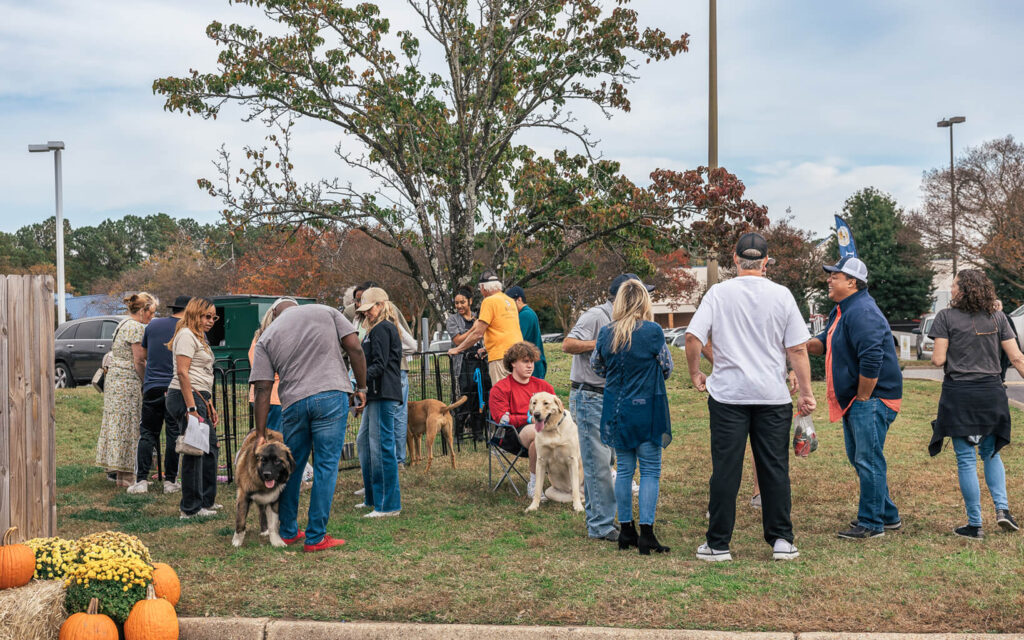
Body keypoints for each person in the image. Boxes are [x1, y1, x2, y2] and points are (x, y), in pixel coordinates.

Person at [685, 232, 815, 562]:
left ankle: (717, 544)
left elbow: (692, 337)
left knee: (725, 469)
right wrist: (807, 393)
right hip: (772, 397)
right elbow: (798, 349)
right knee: (774, 468)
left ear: (735, 259)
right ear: (766, 262)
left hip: (728, 396)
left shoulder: (718, 293)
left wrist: (695, 373)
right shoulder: (782, 295)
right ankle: (782, 540)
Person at [252, 299, 368, 551]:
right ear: (297, 306)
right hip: (331, 394)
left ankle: (289, 530)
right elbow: (355, 348)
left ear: (274, 314)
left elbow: (261, 387)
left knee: (292, 465)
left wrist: (260, 433)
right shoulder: (325, 311)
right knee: (326, 465)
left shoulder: (266, 336)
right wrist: (361, 387)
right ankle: (316, 536)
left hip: (293, 402)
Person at [807, 255, 902, 540]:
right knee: (861, 457)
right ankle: (888, 515)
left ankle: (872, 523)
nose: (829, 279)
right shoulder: (843, 309)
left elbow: (872, 357)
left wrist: (863, 398)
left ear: (852, 282)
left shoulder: (862, 311)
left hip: (872, 399)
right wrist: (796, 344)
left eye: (834, 276)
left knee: (867, 459)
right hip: (859, 400)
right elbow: (822, 343)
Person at [927, 269, 1024, 538]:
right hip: (992, 393)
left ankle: (975, 524)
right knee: (992, 453)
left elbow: (937, 360)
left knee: (967, 459)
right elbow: (1016, 358)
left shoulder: (945, 317)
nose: (952, 288)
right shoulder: (997, 317)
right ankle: (1003, 510)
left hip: (960, 394)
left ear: (964, 289)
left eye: (955, 285)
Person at [562, 274, 648, 543]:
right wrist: (603, 344)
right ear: (623, 296)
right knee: (597, 463)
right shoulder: (596, 316)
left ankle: (600, 518)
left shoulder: (632, 323)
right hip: (589, 396)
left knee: (607, 461)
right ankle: (600, 526)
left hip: (611, 397)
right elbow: (568, 344)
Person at [591, 280, 674, 555]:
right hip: (647, 408)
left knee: (625, 469)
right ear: (643, 302)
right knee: (650, 469)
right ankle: (647, 534)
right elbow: (667, 366)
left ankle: (626, 530)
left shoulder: (606, 333)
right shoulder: (653, 332)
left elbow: (596, 365)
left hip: (617, 408)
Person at [165, 298, 220, 519]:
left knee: (210, 449)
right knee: (194, 452)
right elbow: (183, 372)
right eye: (206, 316)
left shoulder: (199, 337)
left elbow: (202, 375)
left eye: (213, 317)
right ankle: (189, 508)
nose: (211, 321)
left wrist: (209, 404)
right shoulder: (186, 335)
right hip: (186, 397)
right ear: (194, 314)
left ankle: (205, 502)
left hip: (199, 398)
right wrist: (190, 408)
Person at [96, 292, 158, 488]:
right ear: (142, 310)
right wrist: (146, 380)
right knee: (131, 425)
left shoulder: (123, 323)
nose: (152, 317)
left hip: (116, 380)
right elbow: (139, 360)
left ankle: (122, 475)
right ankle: (129, 475)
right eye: (151, 312)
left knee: (119, 424)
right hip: (127, 382)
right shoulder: (135, 327)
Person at [127, 295, 187, 495]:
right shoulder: (187, 329)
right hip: (174, 387)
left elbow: (142, 355)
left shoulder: (152, 326)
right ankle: (170, 481)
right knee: (173, 433)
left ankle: (142, 480)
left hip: (152, 385)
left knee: (148, 433)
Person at [353, 288, 404, 517]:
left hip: (384, 392)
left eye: (370, 309)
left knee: (382, 446)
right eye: (363, 311)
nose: (367, 314)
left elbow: (380, 365)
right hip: (376, 393)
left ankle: (389, 505)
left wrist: (358, 381)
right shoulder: (376, 329)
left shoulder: (383, 328)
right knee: (367, 443)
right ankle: (373, 498)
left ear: (381, 305)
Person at [488, 341, 554, 498]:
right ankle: (536, 484)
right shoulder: (500, 388)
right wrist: (529, 418)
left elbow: (557, 410)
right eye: (525, 361)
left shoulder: (544, 386)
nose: (530, 365)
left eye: (531, 362)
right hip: (511, 433)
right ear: (512, 363)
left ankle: (568, 482)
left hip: (545, 429)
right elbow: (502, 418)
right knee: (538, 433)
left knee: (545, 438)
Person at [449, 270, 522, 384]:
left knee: (501, 394)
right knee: (517, 391)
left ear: (483, 287)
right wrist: (486, 349)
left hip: (500, 356)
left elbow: (478, 333)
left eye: (480, 289)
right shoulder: (510, 301)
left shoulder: (489, 301)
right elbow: (504, 329)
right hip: (518, 353)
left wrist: (458, 349)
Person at [447, 286, 489, 440]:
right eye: (456, 303)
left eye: (462, 302)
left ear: (470, 301)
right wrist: (475, 329)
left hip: (480, 362)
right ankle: (458, 433)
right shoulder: (453, 320)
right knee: (465, 397)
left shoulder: (480, 317)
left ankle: (478, 432)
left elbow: (485, 336)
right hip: (463, 364)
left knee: (481, 396)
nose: (459, 306)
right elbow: (458, 340)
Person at [248, 298, 295, 435]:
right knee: (277, 440)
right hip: (276, 397)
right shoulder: (277, 338)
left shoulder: (259, 337)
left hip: (261, 396)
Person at [505, 286, 547, 379]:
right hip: (532, 364)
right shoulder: (527, 313)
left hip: (532, 365)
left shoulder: (525, 314)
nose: (508, 307)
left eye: (510, 303)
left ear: (519, 299)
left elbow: (516, 339)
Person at [994, 300, 1019, 383]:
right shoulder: (1001, 317)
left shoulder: (1005, 318)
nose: (996, 306)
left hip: (1002, 349)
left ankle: (1001, 379)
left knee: (1003, 362)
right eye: (995, 304)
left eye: (998, 305)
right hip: (996, 349)